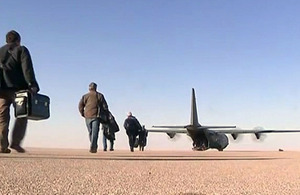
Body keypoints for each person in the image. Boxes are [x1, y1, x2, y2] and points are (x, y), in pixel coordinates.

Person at [0, 30, 39, 153]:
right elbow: (26, 67)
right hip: (19, 91)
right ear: (18, 40)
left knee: (2, 117)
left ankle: (2, 145)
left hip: (1, 90)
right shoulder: (21, 50)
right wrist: (32, 84)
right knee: (22, 115)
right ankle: (15, 142)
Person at [78, 82, 108, 153]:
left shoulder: (85, 96)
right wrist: (105, 114)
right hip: (96, 116)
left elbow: (80, 106)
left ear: (89, 88)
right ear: (96, 88)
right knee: (95, 132)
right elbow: (105, 106)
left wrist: (83, 113)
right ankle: (93, 146)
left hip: (87, 116)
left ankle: (93, 146)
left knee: (91, 132)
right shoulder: (100, 95)